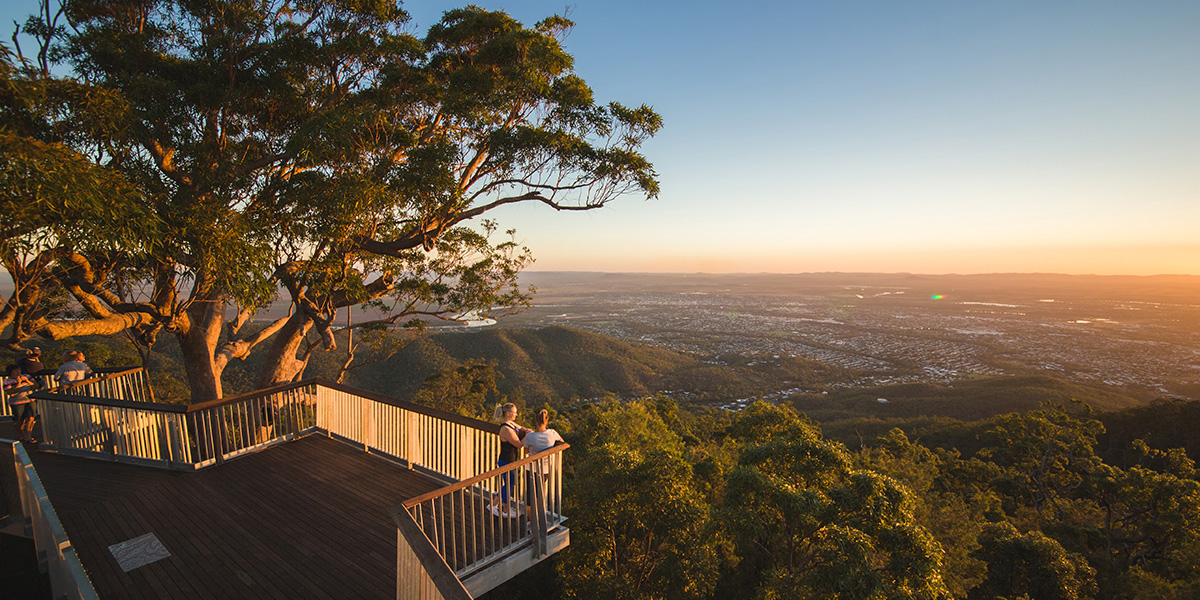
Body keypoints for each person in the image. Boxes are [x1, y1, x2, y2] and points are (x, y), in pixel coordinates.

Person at [522, 409, 565, 521]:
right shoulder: (552, 433)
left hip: (530, 469)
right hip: (545, 469)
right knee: (539, 495)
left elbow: (525, 452)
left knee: (530, 497)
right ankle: (540, 520)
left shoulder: (530, 437)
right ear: (547, 420)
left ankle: (531, 522)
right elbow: (562, 442)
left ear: (536, 420)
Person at [492, 402, 528, 518]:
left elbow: (521, 428)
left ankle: (493, 505)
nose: (516, 415)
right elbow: (518, 444)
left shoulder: (510, 424)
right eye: (514, 413)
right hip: (506, 461)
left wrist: (526, 430)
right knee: (509, 485)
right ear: (508, 414)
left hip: (509, 460)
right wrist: (529, 436)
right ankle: (506, 510)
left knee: (508, 484)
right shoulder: (506, 429)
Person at [5, 363, 38, 443]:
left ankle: (29, 436)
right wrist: (18, 384)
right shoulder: (7, 381)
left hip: (30, 400)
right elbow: (10, 393)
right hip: (17, 402)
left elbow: (36, 386)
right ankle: (23, 435)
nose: (18, 372)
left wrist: (27, 381)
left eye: (18, 370)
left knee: (31, 417)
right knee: (20, 420)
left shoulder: (27, 377)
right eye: (15, 371)